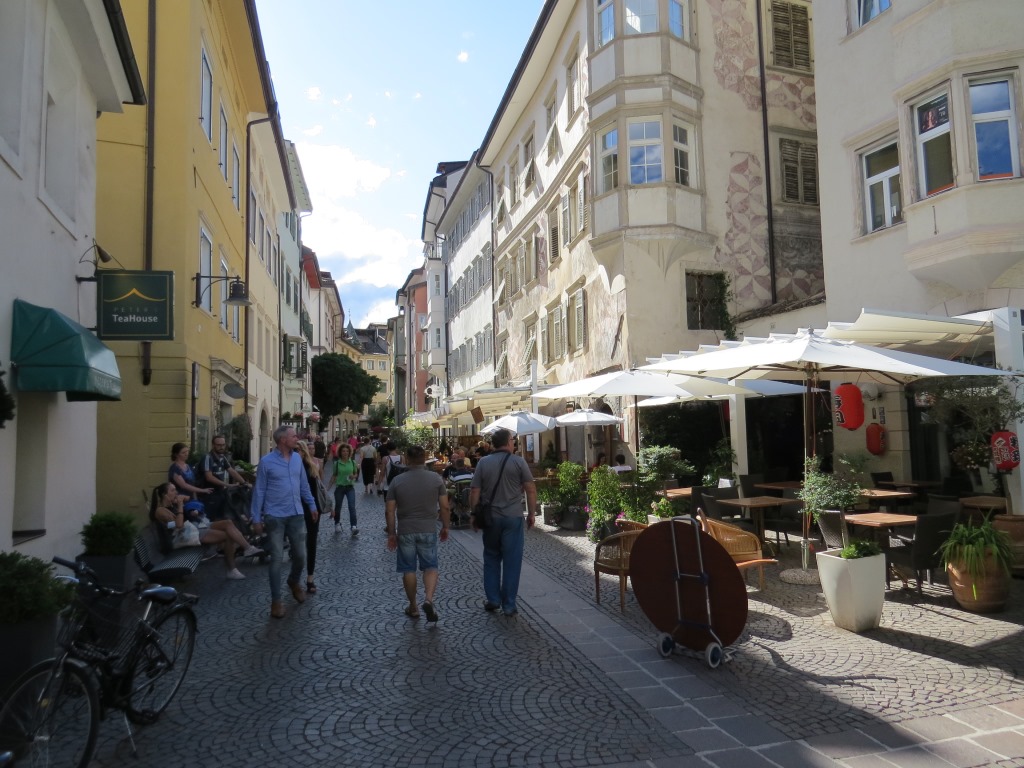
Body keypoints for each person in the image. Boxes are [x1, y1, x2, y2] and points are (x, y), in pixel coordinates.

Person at [250, 425, 318, 619]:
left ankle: (293, 580)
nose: (297, 438)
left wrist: (312, 505)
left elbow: (303, 485)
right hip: (275, 516)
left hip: (296, 513)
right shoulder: (266, 462)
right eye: (293, 436)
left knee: (301, 556)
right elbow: (259, 490)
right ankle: (276, 601)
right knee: (277, 559)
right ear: (282, 440)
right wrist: (256, 517)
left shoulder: (297, 459)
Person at [469, 428, 538, 617]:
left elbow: (474, 490)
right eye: (513, 440)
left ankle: (493, 599)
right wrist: (532, 513)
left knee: (491, 557)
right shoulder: (519, 462)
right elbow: (530, 489)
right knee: (512, 561)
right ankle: (509, 604)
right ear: (508, 442)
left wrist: (473, 514)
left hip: (491, 518)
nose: (514, 442)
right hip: (513, 517)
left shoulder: (483, 462)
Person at [385, 445, 450, 622]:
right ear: (424, 458)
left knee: (408, 569)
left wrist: (391, 533)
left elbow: (389, 511)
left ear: (407, 458)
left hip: (406, 529)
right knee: (430, 566)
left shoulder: (397, 481)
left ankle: (413, 606)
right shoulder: (435, 479)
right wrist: (445, 526)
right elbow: (445, 506)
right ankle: (428, 599)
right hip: (428, 528)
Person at [150, 482, 261, 579]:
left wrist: (187, 506)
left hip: (191, 530)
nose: (176, 492)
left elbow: (181, 518)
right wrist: (179, 505)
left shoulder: (171, 505)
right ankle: (232, 569)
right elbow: (179, 525)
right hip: (182, 537)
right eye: (173, 490)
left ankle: (248, 548)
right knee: (227, 536)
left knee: (227, 523)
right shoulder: (160, 511)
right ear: (165, 495)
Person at [296, 441, 324, 595]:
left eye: (300, 450)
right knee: (297, 543)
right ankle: (295, 577)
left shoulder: (311, 466)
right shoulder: (289, 467)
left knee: (311, 542)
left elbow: (318, 488)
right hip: (295, 509)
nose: (297, 453)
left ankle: (310, 578)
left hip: (312, 508)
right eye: (295, 450)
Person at [201, 435, 250, 520]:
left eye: (223, 445)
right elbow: (209, 477)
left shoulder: (222, 457)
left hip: (220, 492)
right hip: (209, 493)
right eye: (219, 445)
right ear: (213, 445)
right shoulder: (208, 457)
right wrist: (227, 485)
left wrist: (244, 483)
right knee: (211, 519)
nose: (222, 447)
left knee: (222, 517)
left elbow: (231, 471)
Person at [168, 442, 213, 519]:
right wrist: (203, 490)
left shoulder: (188, 466)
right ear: (176, 454)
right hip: (180, 500)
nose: (186, 454)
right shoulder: (175, 468)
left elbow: (192, 484)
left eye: (187, 451)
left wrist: (195, 499)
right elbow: (184, 485)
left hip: (191, 498)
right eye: (183, 452)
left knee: (199, 514)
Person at [327, 443, 359, 535]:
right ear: (340, 452)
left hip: (350, 487)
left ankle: (354, 526)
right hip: (340, 488)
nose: (345, 453)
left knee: (352, 507)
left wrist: (354, 476)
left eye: (347, 451)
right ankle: (337, 523)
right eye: (343, 451)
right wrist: (327, 488)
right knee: (338, 507)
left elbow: (356, 473)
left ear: (349, 452)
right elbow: (334, 475)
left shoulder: (352, 462)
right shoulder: (337, 463)